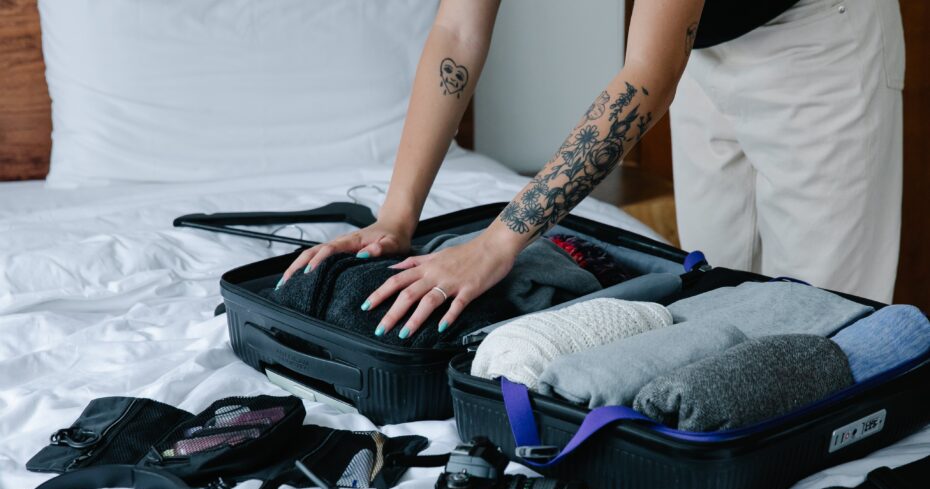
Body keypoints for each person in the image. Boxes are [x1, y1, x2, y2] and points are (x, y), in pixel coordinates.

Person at [281, 0, 904, 341]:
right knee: (718, 306)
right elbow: (456, 30)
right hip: (700, 48)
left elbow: (645, 79)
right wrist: (396, 215)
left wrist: (499, 243)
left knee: (828, 325)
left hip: (819, 37)